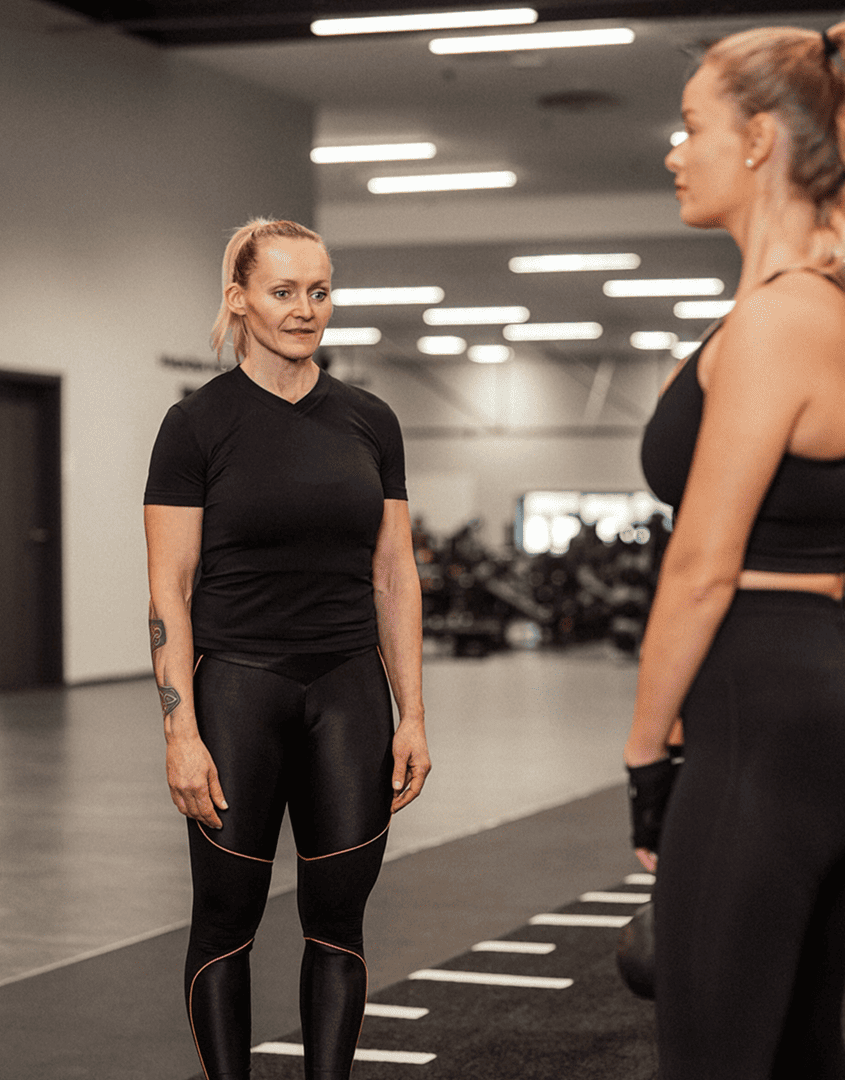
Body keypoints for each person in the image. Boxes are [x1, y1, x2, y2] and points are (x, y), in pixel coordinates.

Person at [625, 17, 845, 1079]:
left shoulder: (780, 320)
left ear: (759, 139)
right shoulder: (814, 309)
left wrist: (644, 756)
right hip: (805, 713)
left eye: (692, 126)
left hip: (766, 725)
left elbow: (701, 568)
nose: (676, 152)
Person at [144, 218, 430, 1080]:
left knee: (338, 923)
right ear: (239, 300)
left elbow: (394, 575)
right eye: (283, 291)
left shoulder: (371, 420)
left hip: (347, 691)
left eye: (320, 291)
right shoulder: (196, 425)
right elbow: (169, 590)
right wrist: (180, 732)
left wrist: (413, 714)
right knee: (225, 922)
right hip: (237, 690)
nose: (305, 309)